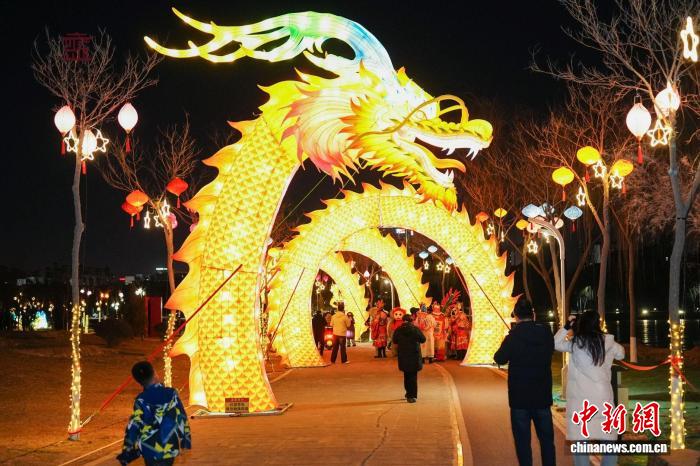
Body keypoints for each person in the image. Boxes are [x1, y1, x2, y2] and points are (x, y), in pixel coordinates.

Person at [555, 310, 625, 466]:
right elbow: (621, 354)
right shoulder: (608, 343)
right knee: (608, 438)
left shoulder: (575, 344)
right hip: (602, 397)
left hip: (581, 399)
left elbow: (555, 343)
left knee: (581, 439)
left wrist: (567, 326)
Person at [494, 297, 555, 466]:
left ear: (516, 316)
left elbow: (499, 358)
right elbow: (550, 350)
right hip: (542, 396)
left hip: (519, 398)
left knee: (522, 443)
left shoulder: (513, 336)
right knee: (547, 442)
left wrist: (510, 338)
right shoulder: (545, 332)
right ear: (533, 314)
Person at [117, 361, 191, 466]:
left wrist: (127, 449)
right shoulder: (171, 394)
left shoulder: (140, 399)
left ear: (139, 382)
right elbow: (181, 417)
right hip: (168, 446)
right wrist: (185, 441)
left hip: (149, 448)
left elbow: (134, 424)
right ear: (155, 374)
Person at [392, 314, 426, 403]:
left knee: (406, 375)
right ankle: (412, 396)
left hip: (403, 355)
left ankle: (408, 393)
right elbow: (423, 339)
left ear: (403, 320)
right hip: (414, 355)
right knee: (413, 376)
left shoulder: (399, 330)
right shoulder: (415, 329)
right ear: (412, 321)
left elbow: (394, 340)